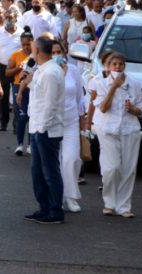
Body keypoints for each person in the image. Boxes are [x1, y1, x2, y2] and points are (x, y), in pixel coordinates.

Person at [92, 53, 142, 218]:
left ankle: (124, 206)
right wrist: (113, 87)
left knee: (128, 169)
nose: (117, 67)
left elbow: (140, 109)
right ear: (107, 66)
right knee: (111, 168)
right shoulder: (100, 83)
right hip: (108, 129)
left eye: (121, 64)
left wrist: (133, 109)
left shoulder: (134, 84)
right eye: (113, 64)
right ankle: (109, 202)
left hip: (129, 129)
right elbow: (102, 108)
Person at [25, 36, 65, 224]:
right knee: (37, 172)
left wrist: (42, 128)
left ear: (39, 51)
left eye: (33, 49)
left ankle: (55, 210)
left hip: (47, 130)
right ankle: (44, 207)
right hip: (37, 127)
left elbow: (50, 104)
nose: (31, 51)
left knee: (50, 172)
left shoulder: (51, 72)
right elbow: (37, 93)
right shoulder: (42, 70)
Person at [51, 41, 85, 213]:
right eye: (53, 52)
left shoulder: (74, 70)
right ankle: (58, 196)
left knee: (72, 159)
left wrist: (83, 124)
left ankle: (70, 196)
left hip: (71, 122)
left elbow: (80, 97)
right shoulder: (46, 71)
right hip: (52, 122)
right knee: (55, 162)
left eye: (59, 52)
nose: (57, 55)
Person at [0, 9, 22, 131]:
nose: (8, 19)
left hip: (18, 69)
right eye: (6, 17)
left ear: (16, 18)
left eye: (11, 17)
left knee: (18, 95)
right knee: (2, 96)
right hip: (2, 67)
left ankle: (17, 123)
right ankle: (3, 122)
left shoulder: (21, 33)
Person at [6, 28, 34, 155]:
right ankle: (20, 144)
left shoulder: (38, 55)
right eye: (23, 44)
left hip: (33, 88)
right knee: (22, 117)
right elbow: (7, 72)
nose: (26, 47)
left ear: (33, 42)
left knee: (32, 117)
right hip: (19, 87)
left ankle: (30, 144)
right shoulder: (16, 55)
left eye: (28, 44)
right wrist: (18, 68)